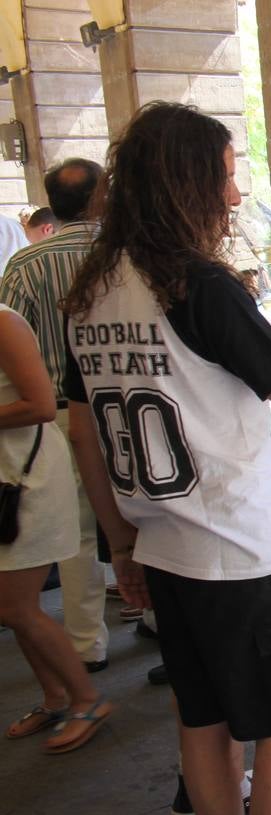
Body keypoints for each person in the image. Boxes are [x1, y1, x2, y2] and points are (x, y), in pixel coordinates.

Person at [61, 101, 271, 815]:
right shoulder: (200, 286)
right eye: (224, 177)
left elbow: (86, 435)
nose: (231, 196)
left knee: (203, 726)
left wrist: (120, 548)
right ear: (187, 184)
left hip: (164, 548)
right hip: (245, 548)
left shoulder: (92, 295)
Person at [0, 159, 120, 673]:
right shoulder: (125, 254)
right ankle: (159, 616)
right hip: (127, 409)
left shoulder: (25, 266)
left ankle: (86, 644)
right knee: (146, 516)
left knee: (79, 536)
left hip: (56, 416)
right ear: (99, 198)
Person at [0, 301, 111, 753]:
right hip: (8, 478)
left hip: (25, 483)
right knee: (10, 605)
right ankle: (56, 696)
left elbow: (42, 404)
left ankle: (86, 698)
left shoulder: (4, 322)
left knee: (15, 606)